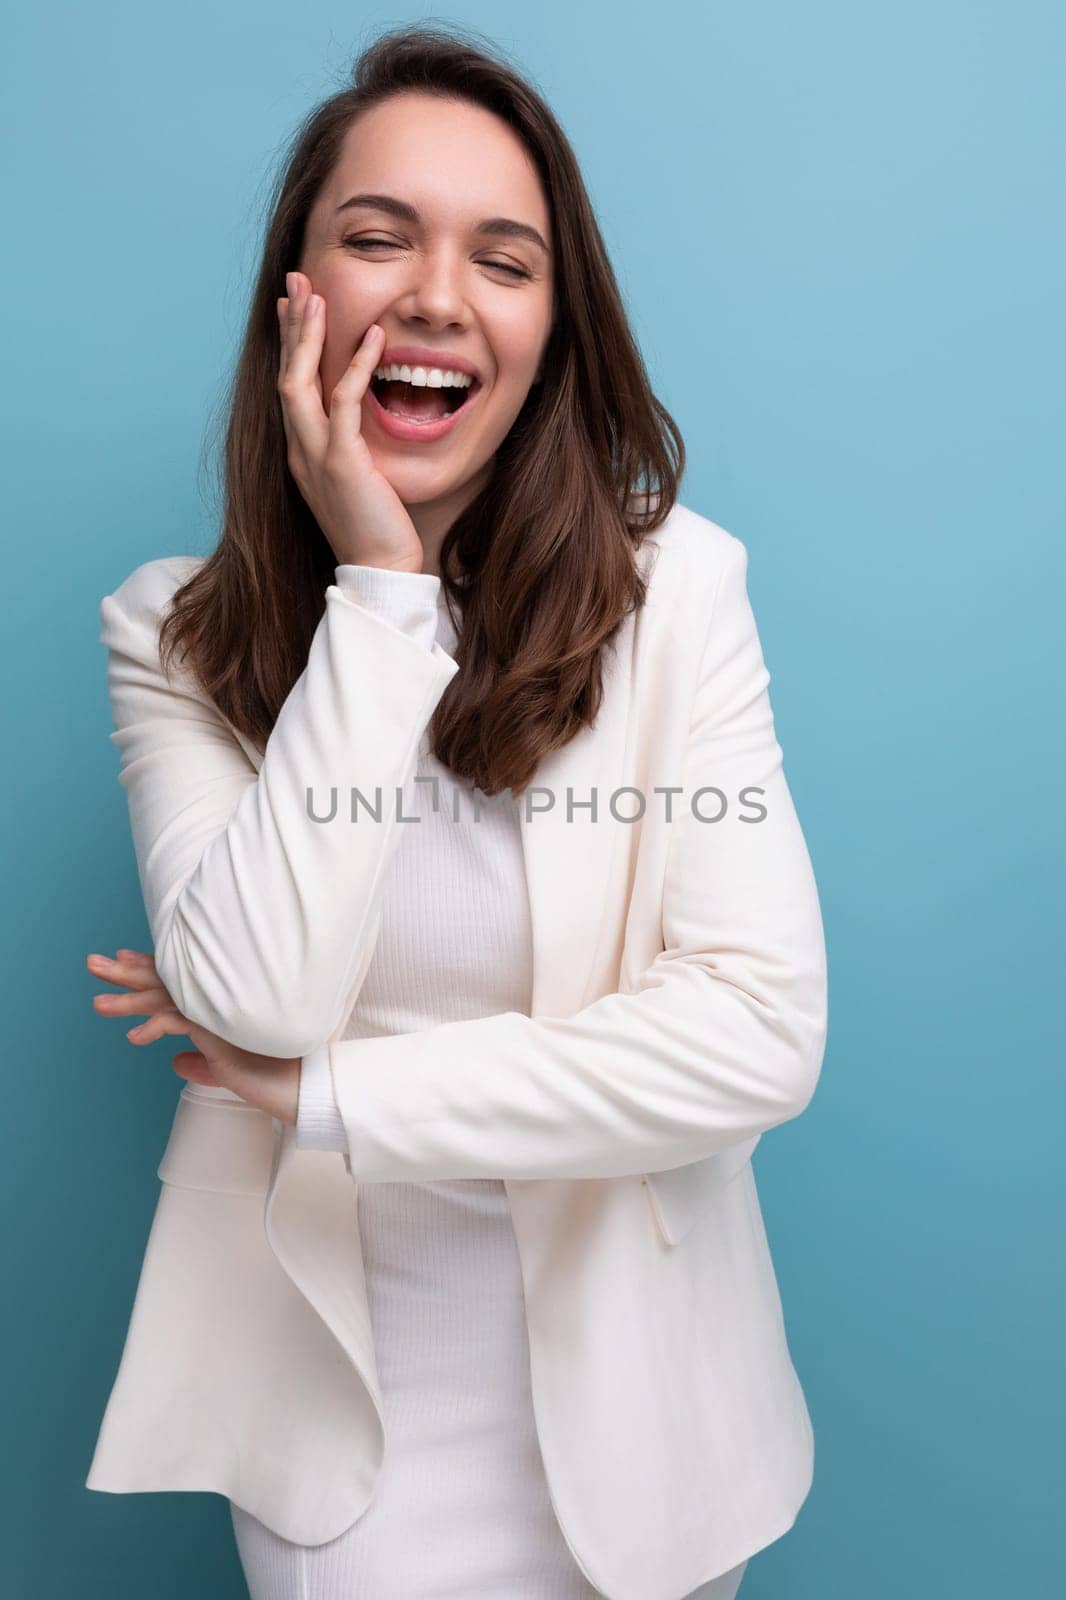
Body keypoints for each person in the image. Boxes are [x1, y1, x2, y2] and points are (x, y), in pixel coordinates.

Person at [85, 23, 827, 1600]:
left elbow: (759, 1034)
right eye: (375, 238)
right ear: (296, 298)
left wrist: (328, 1097)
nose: (434, 294)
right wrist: (378, 588)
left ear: (553, 332)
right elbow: (257, 990)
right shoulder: (175, 631)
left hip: (649, 1431)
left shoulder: (677, 594)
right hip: (340, 1430)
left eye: (504, 259)